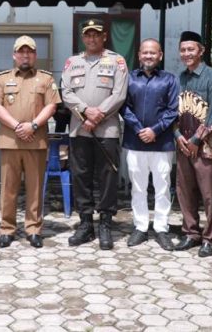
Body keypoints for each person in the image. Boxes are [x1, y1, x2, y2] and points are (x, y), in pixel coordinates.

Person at [61, 19, 128, 250]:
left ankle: (105, 224)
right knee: (81, 175)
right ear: (83, 37)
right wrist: (85, 112)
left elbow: (119, 94)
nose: (92, 38)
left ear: (104, 36)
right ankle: (86, 223)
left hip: (107, 129)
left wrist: (97, 115)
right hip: (79, 129)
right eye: (88, 35)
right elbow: (66, 92)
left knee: (107, 177)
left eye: (96, 34)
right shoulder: (72, 62)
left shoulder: (117, 61)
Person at [0, 35, 60, 248]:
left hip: (35, 141)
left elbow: (51, 106)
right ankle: (7, 229)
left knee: (35, 188)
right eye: (21, 51)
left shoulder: (45, 79)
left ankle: (33, 229)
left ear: (35, 55)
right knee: (8, 189)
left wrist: (34, 125)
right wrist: (18, 126)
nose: (25, 55)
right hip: (10, 141)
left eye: (29, 51)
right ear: (14, 55)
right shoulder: (1, 79)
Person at [120, 38, 178, 250]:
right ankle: (141, 227)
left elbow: (173, 109)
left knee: (163, 187)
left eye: (153, 53)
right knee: (138, 187)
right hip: (135, 142)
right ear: (139, 55)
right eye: (145, 52)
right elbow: (124, 107)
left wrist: (155, 130)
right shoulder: (129, 79)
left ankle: (161, 228)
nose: (148, 56)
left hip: (162, 143)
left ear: (160, 55)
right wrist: (139, 129)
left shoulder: (169, 79)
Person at [173, 31, 212, 258]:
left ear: (201, 51)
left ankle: (210, 238)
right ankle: (190, 232)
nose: (186, 54)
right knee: (185, 191)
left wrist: (196, 139)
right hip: (183, 144)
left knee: (209, 194)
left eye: (191, 49)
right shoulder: (180, 78)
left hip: (206, 146)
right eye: (183, 50)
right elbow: (173, 110)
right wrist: (177, 135)